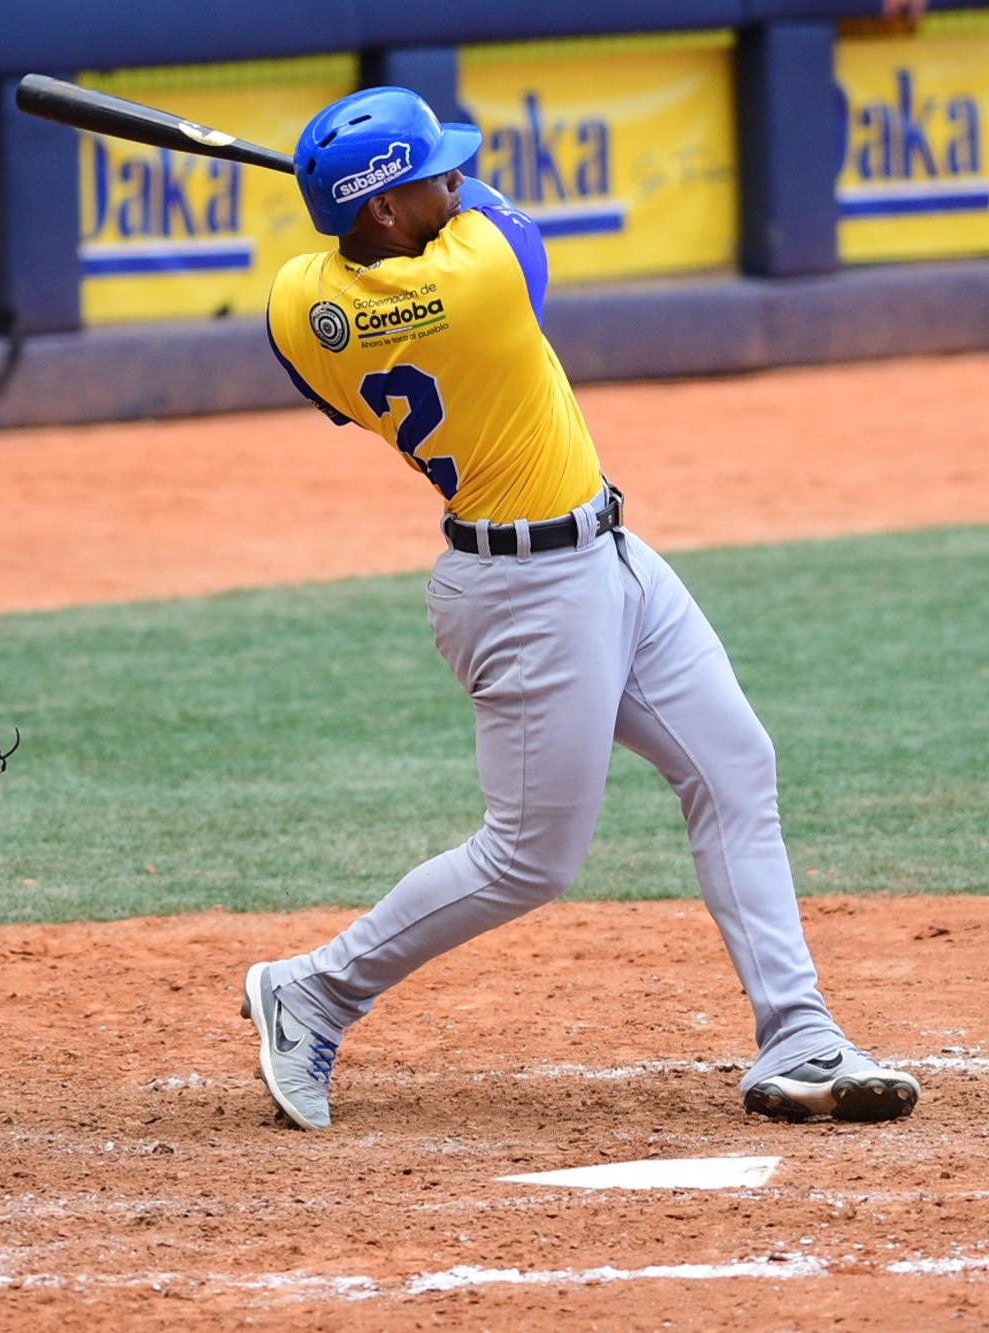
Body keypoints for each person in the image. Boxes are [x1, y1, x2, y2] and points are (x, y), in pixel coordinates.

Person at [240, 88, 920, 1131]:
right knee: (527, 857)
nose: (455, 178)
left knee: (733, 765)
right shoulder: (481, 279)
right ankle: (313, 991)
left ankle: (798, 1031)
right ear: (379, 210)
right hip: (525, 597)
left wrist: (377, 208)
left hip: (605, 559)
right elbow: (500, 220)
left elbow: (342, 317)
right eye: (432, 170)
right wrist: (414, 205)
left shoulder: (298, 305)